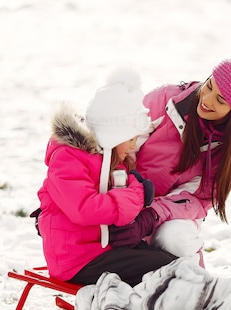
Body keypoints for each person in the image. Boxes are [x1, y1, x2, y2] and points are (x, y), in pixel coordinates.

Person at [109, 57, 231, 265]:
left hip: (174, 211)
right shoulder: (167, 100)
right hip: (124, 191)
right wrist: (128, 197)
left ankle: (189, 285)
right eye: (208, 87)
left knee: (175, 237)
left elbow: (199, 198)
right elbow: (121, 146)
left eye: (221, 100)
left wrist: (151, 215)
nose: (207, 100)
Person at [36, 67, 177, 287]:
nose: (133, 145)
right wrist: (137, 195)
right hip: (76, 260)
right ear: (114, 134)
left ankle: (181, 305)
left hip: (103, 249)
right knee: (160, 269)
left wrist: (134, 189)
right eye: (130, 138)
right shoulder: (68, 159)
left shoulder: (110, 159)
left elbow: (125, 190)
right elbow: (85, 209)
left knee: (171, 264)